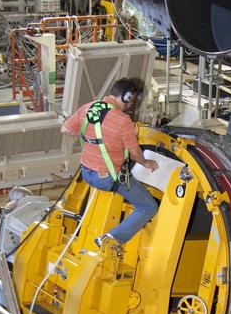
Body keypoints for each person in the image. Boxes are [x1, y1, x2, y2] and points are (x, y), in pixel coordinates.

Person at [61, 78, 159, 256]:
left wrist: (89, 138)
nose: (130, 106)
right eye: (131, 101)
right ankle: (111, 238)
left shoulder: (88, 108)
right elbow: (135, 153)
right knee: (148, 206)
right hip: (106, 179)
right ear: (127, 97)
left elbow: (65, 129)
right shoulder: (123, 121)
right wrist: (146, 163)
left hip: (86, 173)